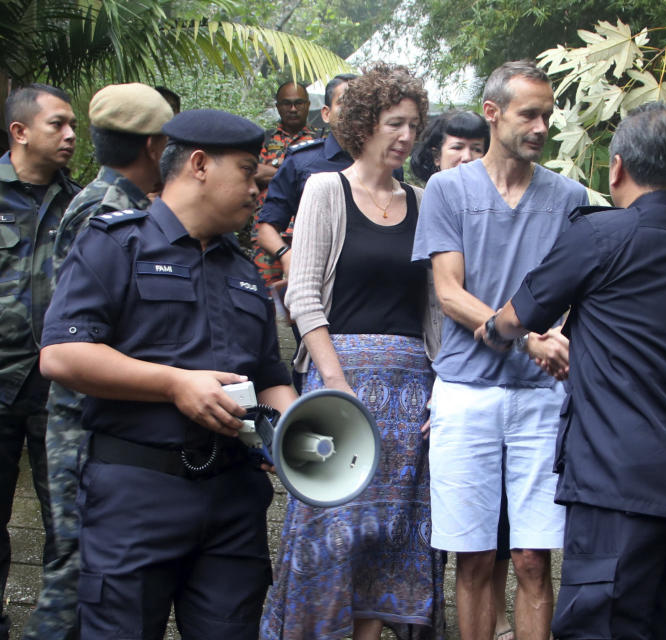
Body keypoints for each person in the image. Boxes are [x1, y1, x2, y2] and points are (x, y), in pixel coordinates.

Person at [476, 102, 666, 638]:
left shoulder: (601, 236)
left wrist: (494, 331)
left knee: (603, 625)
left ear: (617, 168)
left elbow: (519, 315)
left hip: (620, 480)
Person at [39, 109, 298, 640]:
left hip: (233, 497)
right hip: (136, 493)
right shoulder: (115, 243)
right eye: (248, 172)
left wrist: (294, 425)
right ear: (199, 165)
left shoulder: (245, 272)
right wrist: (175, 383)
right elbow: (62, 355)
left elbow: (271, 374)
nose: (257, 190)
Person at [260, 63, 446, 640]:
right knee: (328, 532)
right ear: (364, 124)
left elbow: (435, 311)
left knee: (387, 537)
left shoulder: (423, 201)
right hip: (341, 389)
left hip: (410, 392)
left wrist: (441, 390)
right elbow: (304, 294)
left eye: (415, 125)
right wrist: (334, 380)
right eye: (395, 123)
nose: (408, 137)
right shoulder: (325, 188)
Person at [412, 60, 589, 640]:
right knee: (475, 557)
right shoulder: (447, 189)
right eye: (529, 114)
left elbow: (573, 291)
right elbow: (448, 291)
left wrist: (556, 335)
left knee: (534, 557)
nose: (541, 126)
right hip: (466, 391)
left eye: (548, 114)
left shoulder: (568, 196)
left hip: (540, 395)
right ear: (492, 113)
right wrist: (524, 333)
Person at [21, 83, 173, 640]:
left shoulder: (108, 200)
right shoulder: (107, 210)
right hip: (81, 417)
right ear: (156, 145)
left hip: (90, 414)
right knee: (77, 563)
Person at [413, 110, 518, 640]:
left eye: (478, 147)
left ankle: (494, 613)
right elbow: (429, 306)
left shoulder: (503, 204)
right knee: (455, 517)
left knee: (500, 518)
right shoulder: (428, 202)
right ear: (434, 153)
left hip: (497, 370)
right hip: (439, 373)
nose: (468, 158)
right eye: (457, 147)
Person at [0, 83, 80, 640]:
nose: (72, 135)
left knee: (68, 526)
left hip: (60, 393)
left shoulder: (80, 205)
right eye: (58, 124)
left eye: (74, 124)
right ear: (20, 131)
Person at [254, 73, 357, 288]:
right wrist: (286, 255)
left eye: (362, 103)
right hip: (311, 273)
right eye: (345, 102)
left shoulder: (387, 167)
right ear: (326, 113)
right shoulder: (302, 160)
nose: (353, 110)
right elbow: (265, 228)